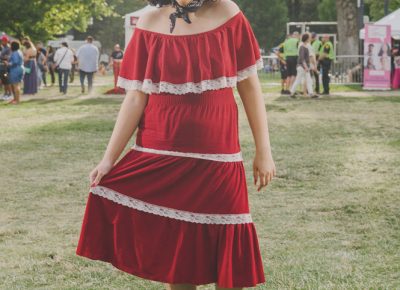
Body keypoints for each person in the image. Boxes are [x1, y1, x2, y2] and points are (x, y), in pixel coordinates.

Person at [76, 0, 276, 289]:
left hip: (218, 155)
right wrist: (109, 159)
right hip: (160, 152)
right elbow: (135, 98)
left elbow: (250, 85)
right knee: (178, 259)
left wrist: (263, 150)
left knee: (229, 248)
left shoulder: (228, 13)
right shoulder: (147, 21)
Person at [290, 33, 318, 99]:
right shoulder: (302, 47)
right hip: (302, 67)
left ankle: (311, 93)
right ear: (307, 38)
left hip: (304, 67)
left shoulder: (305, 46)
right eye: (309, 37)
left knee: (308, 80)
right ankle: (292, 92)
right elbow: (302, 59)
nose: (310, 38)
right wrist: (305, 67)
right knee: (299, 80)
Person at [0, 35, 12, 100]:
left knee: (7, 80)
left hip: (6, 68)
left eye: (2, 40)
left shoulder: (9, 48)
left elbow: (8, 57)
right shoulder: (3, 48)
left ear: (5, 41)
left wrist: (1, 57)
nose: (1, 42)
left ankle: (9, 94)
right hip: (2, 67)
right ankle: (5, 93)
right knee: (4, 81)